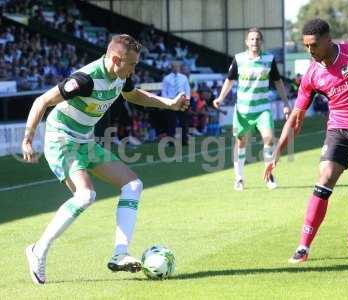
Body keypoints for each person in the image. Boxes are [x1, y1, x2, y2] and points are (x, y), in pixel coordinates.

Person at [22, 34, 189, 285]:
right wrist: (28, 139)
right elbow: (42, 101)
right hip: (61, 138)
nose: (134, 69)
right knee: (85, 195)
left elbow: (136, 96)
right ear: (115, 59)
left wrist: (170, 104)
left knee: (133, 185)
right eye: (132, 64)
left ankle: (120, 253)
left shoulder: (120, 76)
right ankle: (38, 250)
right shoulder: (85, 80)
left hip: (84, 140)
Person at [264, 19, 348, 263]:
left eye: (313, 45)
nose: (310, 51)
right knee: (324, 179)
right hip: (339, 130)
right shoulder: (312, 74)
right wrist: (277, 153)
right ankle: (303, 247)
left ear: (327, 39)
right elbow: (295, 118)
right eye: (306, 46)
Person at [213, 27, 290, 191]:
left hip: (263, 109)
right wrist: (220, 98)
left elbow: (278, 82)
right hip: (243, 110)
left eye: (257, 39)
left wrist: (285, 103)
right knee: (241, 143)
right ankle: (239, 178)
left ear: (261, 41)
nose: (255, 41)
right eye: (252, 39)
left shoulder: (269, 59)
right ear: (247, 42)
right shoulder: (238, 59)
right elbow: (229, 80)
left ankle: (268, 176)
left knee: (269, 139)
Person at [161, 61, 191, 145]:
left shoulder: (184, 77)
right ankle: (171, 141)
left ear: (179, 68)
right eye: (174, 66)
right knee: (171, 122)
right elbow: (164, 91)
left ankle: (184, 140)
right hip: (171, 102)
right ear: (171, 67)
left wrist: (187, 100)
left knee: (184, 122)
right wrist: (168, 101)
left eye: (177, 66)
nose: (176, 68)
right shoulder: (166, 78)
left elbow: (187, 90)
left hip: (182, 101)